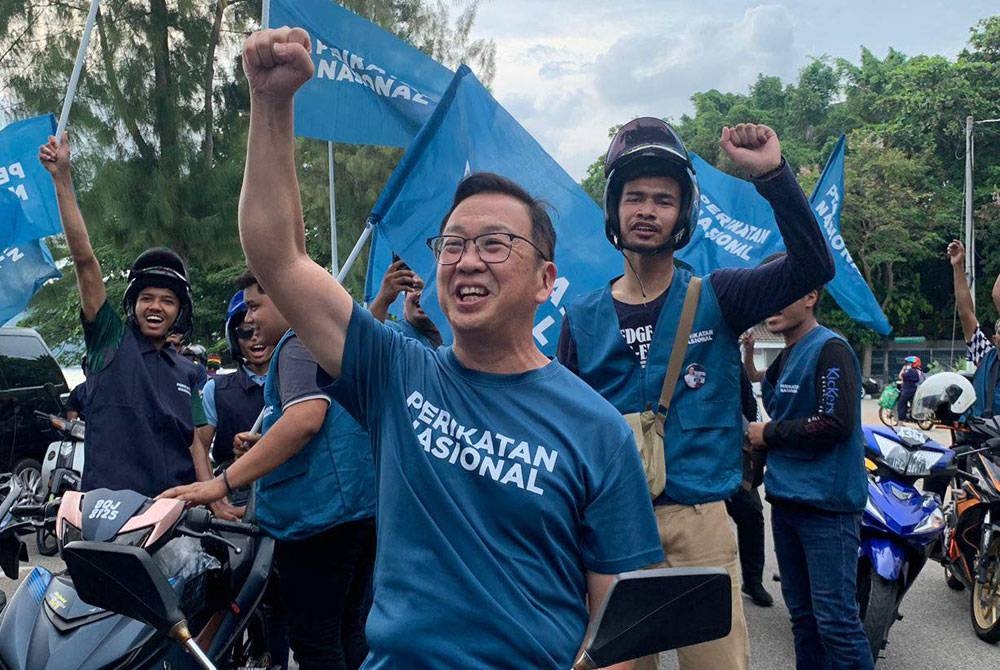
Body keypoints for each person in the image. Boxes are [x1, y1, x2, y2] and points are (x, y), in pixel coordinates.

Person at [231, 27, 662, 669]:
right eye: (452, 244)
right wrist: (271, 105)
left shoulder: (598, 431)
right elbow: (278, 257)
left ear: (547, 279)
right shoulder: (395, 373)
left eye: (495, 244)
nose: (466, 260)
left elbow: (619, 634)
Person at [558, 117, 834, 670]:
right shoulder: (581, 316)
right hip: (613, 529)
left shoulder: (721, 295)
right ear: (613, 207)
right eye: (634, 196)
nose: (646, 210)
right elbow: (565, 432)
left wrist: (773, 176)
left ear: (682, 213)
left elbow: (813, 266)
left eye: (663, 199)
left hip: (700, 523)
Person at [163, 273, 377, 670]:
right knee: (350, 633)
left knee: (315, 643)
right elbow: (325, 428)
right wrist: (265, 445)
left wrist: (220, 483)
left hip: (319, 520)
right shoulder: (335, 339)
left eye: (256, 306)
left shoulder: (298, 344)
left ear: (287, 296)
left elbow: (305, 420)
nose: (251, 318)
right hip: (357, 514)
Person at [39, 133, 206, 499]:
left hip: (172, 521)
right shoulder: (109, 341)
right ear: (133, 304)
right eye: (147, 297)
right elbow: (85, 262)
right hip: (106, 518)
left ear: (179, 311)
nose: (156, 307)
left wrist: (216, 498)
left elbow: (195, 440)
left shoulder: (189, 372)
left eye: (167, 300)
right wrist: (62, 178)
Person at [745, 284, 871, 670]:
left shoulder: (830, 350)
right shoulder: (785, 358)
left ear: (811, 296)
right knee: (802, 619)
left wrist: (767, 434)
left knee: (837, 624)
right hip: (786, 504)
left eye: (781, 289)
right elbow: (769, 393)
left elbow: (834, 423)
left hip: (826, 510)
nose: (772, 303)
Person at [195, 289, 272, 483]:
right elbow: (199, 449)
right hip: (236, 491)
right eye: (245, 332)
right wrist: (214, 496)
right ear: (234, 339)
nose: (255, 337)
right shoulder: (216, 389)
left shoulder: (297, 384)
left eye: (262, 328)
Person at [725, 331, 773, 608]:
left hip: (735, 453)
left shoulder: (731, 358)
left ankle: (753, 581)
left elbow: (750, 384)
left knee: (752, 514)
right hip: (699, 453)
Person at [948, 239, 1000, 417]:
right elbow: (965, 313)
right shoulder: (986, 355)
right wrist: (958, 266)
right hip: (982, 438)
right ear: (995, 339)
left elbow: (997, 294)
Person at [369, 259, 443, 348]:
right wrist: (383, 299)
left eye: (429, 290)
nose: (421, 294)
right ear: (404, 300)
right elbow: (366, 342)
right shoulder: (395, 333)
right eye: (416, 287)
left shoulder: (456, 341)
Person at [896, 355, 923, 420]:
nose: (909, 364)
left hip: (908, 390)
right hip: (917, 390)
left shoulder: (911, 371)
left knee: (901, 404)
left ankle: (901, 422)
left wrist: (903, 369)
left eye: (910, 363)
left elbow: (901, 376)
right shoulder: (919, 371)